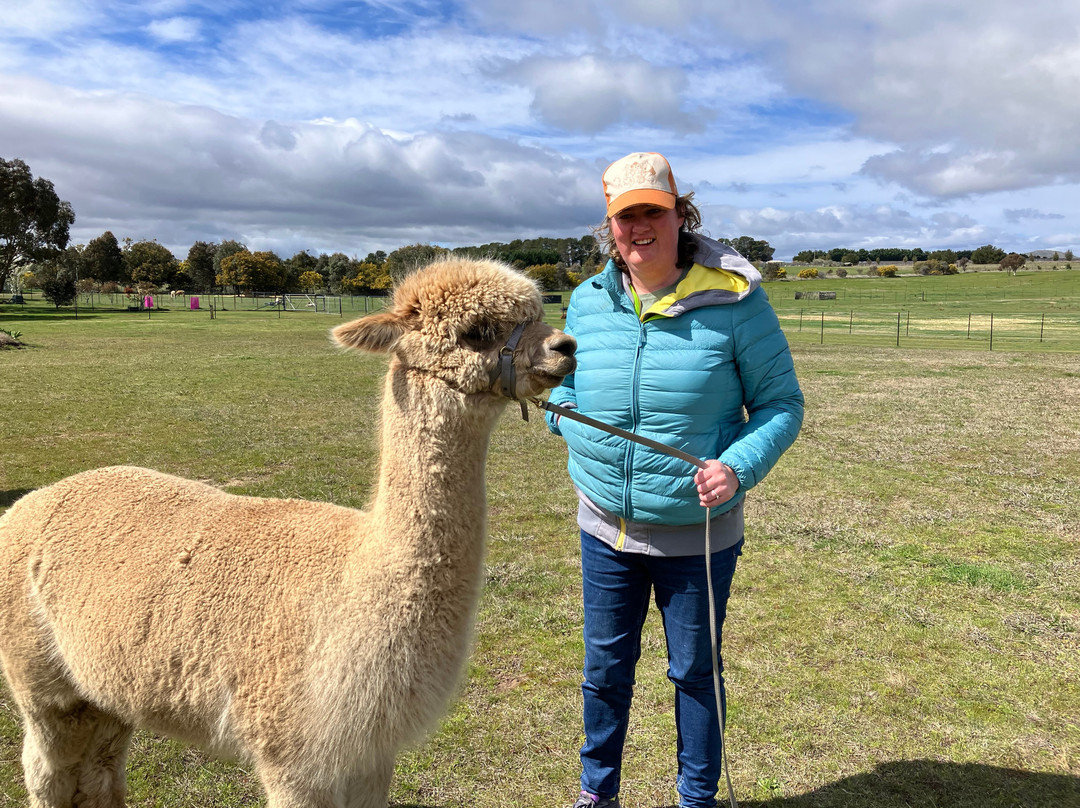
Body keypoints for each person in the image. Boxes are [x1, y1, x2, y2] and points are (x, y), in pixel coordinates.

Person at [546, 152, 804, 808]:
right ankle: (596, 795)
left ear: (679, 214)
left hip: (699, 537)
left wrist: (738, 467)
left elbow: (781, 404)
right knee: (604, 672)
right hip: (605, 528)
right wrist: (565, 421)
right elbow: (565, 391)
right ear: (610, 226)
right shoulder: (586, 301)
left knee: (694, 674)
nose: (638, 227)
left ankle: (697, 800)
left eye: (651, 212)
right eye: (624, 215)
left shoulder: (735, 301)